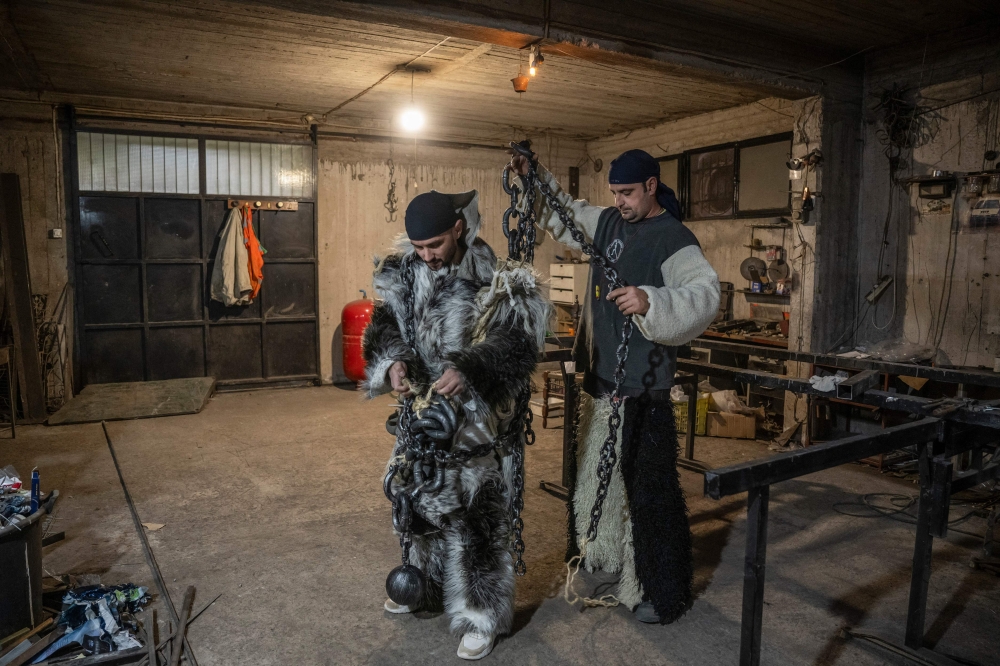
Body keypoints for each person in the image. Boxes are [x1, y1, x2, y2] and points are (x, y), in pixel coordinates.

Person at [510, 148, 720, 624]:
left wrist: (652, 300)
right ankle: (600, 554)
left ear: (651, 186)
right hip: (600, 379)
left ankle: (658, 587)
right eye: (615, 195)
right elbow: (564, 213)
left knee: (649, 493)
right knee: (592, 480)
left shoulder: (676, 240)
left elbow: (706, 295)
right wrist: (533, 175)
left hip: (645, 390)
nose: (620, 202)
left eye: (627, 193)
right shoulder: (607, 223)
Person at [362, 190, 549, 659]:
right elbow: (384, 323)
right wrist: (392, 364)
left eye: (436, 245)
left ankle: (481, 615)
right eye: (419, 246)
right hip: (420, 418)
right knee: (419, 506)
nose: (427, 256)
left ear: (459, 229)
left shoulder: (496, 278)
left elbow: (517, 344)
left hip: (476, 422)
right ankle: (423, 588)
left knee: (475, 519)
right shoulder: (406, 271)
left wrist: (470, 367)